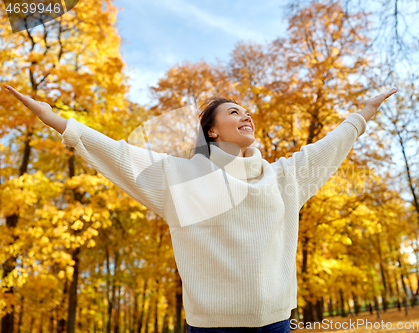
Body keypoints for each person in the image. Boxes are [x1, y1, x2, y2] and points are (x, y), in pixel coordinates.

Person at [4, 84, 397, 332]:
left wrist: (361, 115)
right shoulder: (179, 177)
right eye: (233, 111)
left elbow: (325, 151)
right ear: (212, 130)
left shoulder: (281, 176)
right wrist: (56, 120)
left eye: (247, 111)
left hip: (276, 323)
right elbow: (119, 154)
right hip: (213, 328)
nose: (246, 115)